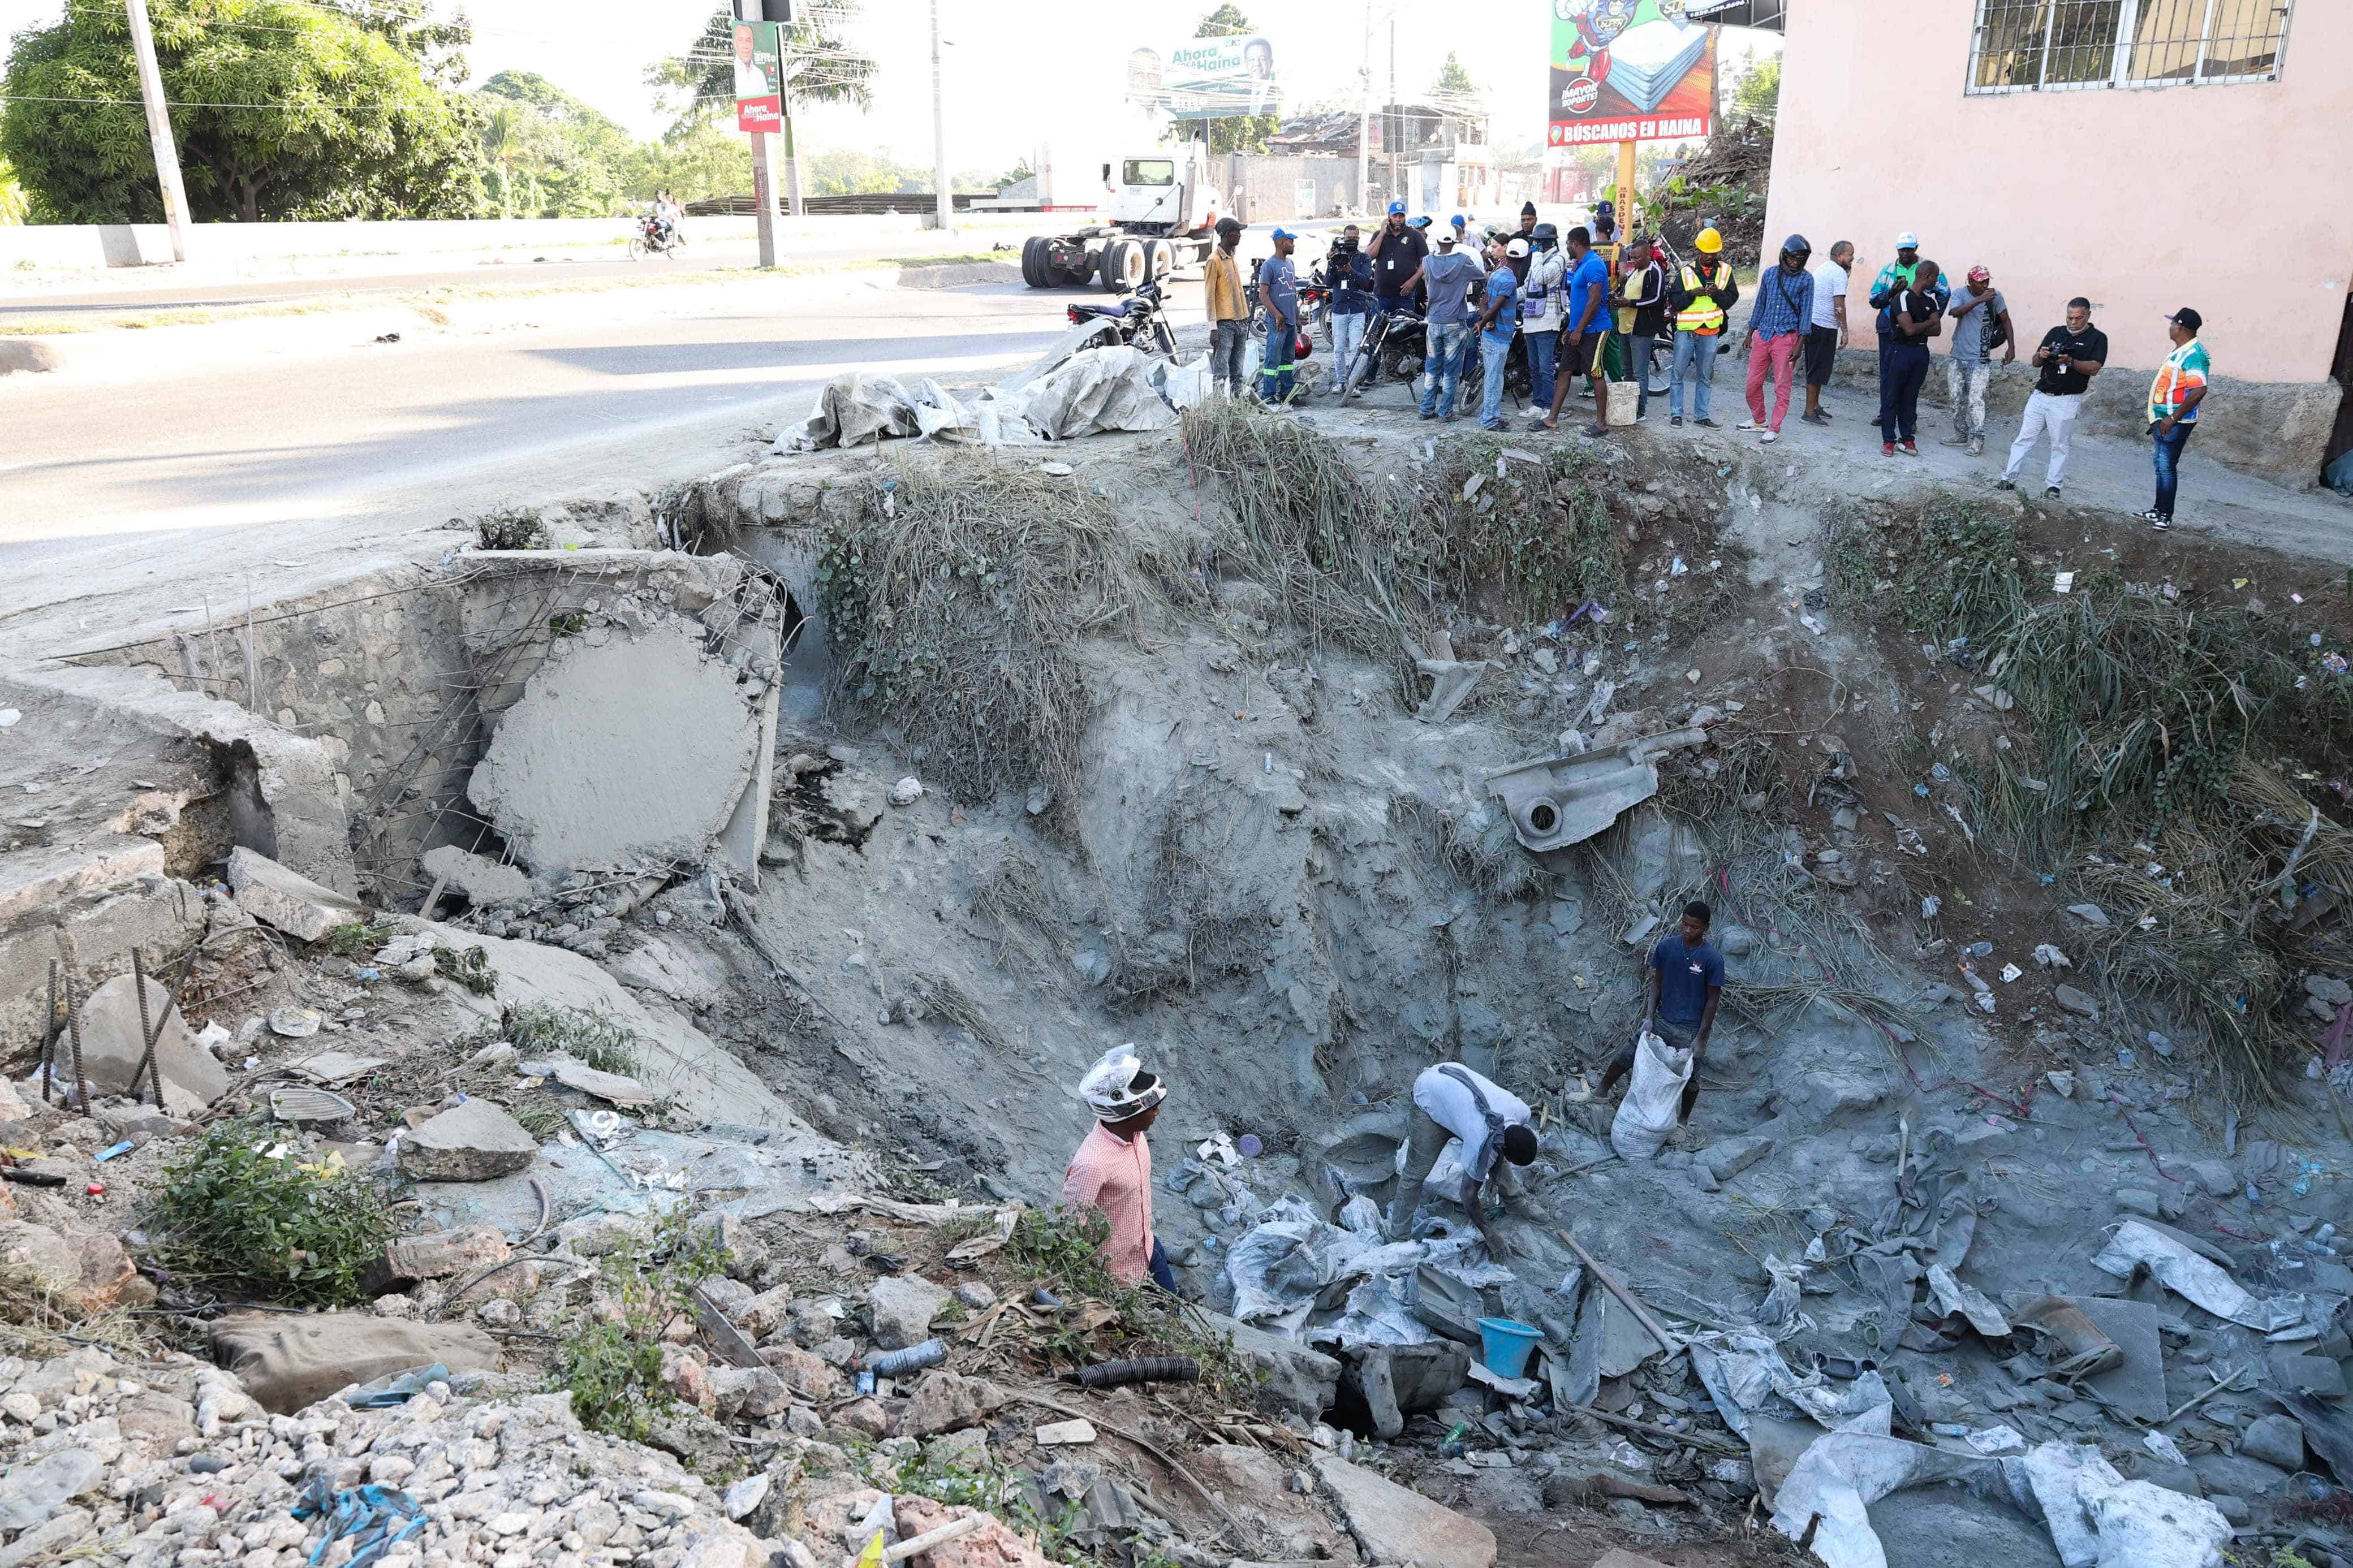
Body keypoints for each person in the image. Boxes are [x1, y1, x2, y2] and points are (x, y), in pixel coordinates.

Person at [1597, 901, 1724, 1131]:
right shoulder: (1667, 947)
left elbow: (1712, 1001)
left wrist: (1702, 1038)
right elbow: (1656, 983)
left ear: (1706, 927)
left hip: (1690, 1029)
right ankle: (1601, 1092)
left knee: (1690, 1078)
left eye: (1694, 927)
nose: (1687, 930)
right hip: (1663, 1020)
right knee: (1629, 1052)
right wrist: (1650, 1017)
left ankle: (1683, 1121)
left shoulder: (1712, 959)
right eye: (1684, 924)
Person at [1061, 1047, 1176, 1292]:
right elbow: (1071, 1230)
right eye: (1151, 1107)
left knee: (1174, 1307)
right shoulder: (1092, 1164)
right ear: (1125, 1112)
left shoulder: (1137, 1137)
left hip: (1146, 1248)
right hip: (1116, 1273)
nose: (1157, 1112)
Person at [1386, 1061, 1540, 1245]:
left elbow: (1499, 1148)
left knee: (1497, 1153)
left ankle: (1515, 1201)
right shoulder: (1482, 1142)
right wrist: (1489, 1233)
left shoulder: (1521, 1112)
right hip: (1430, 1097)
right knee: (1414, 1174)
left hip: (1456, 1093)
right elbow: (1467, 1195)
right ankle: (1397, 1238)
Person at [1999, 297, 2107, 499]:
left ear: (2088, 316)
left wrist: (2071, 360)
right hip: (2040, 395)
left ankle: (2053, 486)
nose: (2073, 322)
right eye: (2070, 318)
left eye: (2078, 318)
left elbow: (2095, 368)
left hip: (2067, 399)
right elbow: (2034, 362)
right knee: (2024, 438)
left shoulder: (2098, 338)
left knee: (2060, 445)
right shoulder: (2056, 332)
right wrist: (2042, 355)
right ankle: (2008, 478)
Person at [1535, 224, 1611, 435]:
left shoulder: (1594, 265)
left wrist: (1579, 329)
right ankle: (1552, 418)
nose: (1567, 247)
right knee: (1564, 372)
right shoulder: (1581, 264)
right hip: (1578, 329)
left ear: (1575, 243)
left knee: (1596, 373)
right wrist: (1571, 329)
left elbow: (1594, 302)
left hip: (1595, 329)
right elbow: (1579, 302)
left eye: (1568, 243)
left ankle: (1601, 423)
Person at [1739, 234, 1814, 443]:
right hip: (1763, 334)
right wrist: (1750, 332)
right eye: (1791, 259)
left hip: (1787, 338)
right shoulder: (1770, 274)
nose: (1794, 263)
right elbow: (1760, 304)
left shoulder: (1807, 280)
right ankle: (1759, 419)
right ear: (1784, 255)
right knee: (1752, 384)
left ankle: (1775, 427)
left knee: (1782, 386)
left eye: (1799, 260)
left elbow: (1807, 313)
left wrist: (1800, 344)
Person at [2141, 308, 2209, 531]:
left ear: (2180, 328)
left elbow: (2199, 390)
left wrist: (2173, 417)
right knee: (2161, 465)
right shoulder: (2181, 351)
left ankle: (2165, 516)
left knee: (2167, 467)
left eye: (2172, 324)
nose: (2169, 327)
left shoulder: (2194, 355)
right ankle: (2157, 510)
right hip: (2164, 419)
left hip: (2176, 421)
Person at [1667, 227, 1738, 428]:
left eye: (1714, 253)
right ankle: (1676, 414)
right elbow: (1675, 302)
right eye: (1708, 253)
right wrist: (1692, 294)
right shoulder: (1686, 272)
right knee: (1678, 374)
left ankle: (1701, 415)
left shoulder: (1725, 271)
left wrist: (1716, 294)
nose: (1711, 257)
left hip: (1711, 333)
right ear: (1699, 251)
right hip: (1687, 332)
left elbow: (1731, 299)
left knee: (1705, 377)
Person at [1941, 265, 2015, 454]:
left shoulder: (1995, 297)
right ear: (1970, 281)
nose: (1985, 284)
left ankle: (1978, 439)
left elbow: (2006, 320)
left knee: (1976, 401)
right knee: (1956, 399)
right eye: (1981, 281)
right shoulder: (1959, 294)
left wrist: (2011, 347)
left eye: (1987, 281)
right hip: (1958, 355)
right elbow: (1955, 312)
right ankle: (1960, 434)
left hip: (1980, 358)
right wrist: (1979, 300)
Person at [1878, 259, 1943, 456]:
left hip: (1921, 353)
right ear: (1927, 276)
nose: (1936, 282)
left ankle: (1907, 439)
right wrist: (1926, 323)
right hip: (1901, 351)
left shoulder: (1929, 301)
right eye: (1935, 277)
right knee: (1893, 396)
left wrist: (1919, 326)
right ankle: (1888, 440)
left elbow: (1938, 330)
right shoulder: (1902, 297)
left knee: (1910, 397)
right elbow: (1908, 330)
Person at [1419, 226, 1483, 422]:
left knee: (1432, 368)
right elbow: (1482, 277)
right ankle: (1445, 412)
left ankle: (1426, 409)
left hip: (1434, 321)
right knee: (1451, 371)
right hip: (1455, 322)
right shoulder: (1463, 262)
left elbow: (1425, 280)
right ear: (1455, 241)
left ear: (1437, 243)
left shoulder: (1428, 261)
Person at [1802, 240, 1853, 425]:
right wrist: (1845, 331)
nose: (1852, 258)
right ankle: (1809, 412)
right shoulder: (1839, 273)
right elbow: (1839, 306)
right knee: (1818, 369)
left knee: (1817, 368)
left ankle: (1815, 406)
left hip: (1814, 324)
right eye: (1850, 254)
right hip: (1824, 326)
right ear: (1839, 256)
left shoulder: (1824, 268)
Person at [1518, 223, 1566, 417]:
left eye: (1536, 242)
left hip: (1547, 321)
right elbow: (1527, 287)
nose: (1534, 246)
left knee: (1546, 367)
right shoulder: (1538, 260)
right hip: (1531, 320)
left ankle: (1549, 407)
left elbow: (1540, 277)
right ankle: (1538, 404)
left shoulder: (1558, 260)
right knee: (1534, 366)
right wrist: (1505, 296)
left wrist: (1536, 255)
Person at [1476, 237, 1522, 431]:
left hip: (1492, 333)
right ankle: (1490, 421)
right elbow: (1496, 306)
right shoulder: (1510, 279)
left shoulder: (1497, 274)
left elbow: (1484, 301)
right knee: (1495, 379)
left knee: (1493, 377)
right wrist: (1484, 321)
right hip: (1499, 336)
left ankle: (1488, 415)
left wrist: (1486, 320)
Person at [1621, 237, 1669, 421]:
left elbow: (1656, 299)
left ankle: (1640, 411)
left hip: (1641, 329)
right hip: (1626, 328)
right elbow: (1627, 292)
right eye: (1632, 257)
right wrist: (1619, 298)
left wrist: (1630, 303)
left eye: (1637, 257)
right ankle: (1629, 406)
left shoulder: (1654, 272)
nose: (1634, 261)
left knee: (1640, 372)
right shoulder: (1635, 272)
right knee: (1627, 370)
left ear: (1648, 255)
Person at [1324, 224, 1374, 396]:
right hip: (1339, 309)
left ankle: (1354, 383)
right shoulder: (1336, 257)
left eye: (1354, 238)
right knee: (1338, 348)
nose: (1351, 241)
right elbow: (1328, 282)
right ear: (1343, 239)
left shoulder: (1364, 258)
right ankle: (1340, 382)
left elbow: (1365, 281)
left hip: (1357, 309)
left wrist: (1349, 269)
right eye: (1348, 238)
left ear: (1359, 238)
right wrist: (1332, 262)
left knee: (1356, 348)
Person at [1204, 218, 1250, 398]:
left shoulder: (1231, 259)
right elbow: (1209, 297)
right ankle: (1220, 408)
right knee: (1221, 371)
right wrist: (1213, 328)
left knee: (1237, 372)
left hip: (1240, 322)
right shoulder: (1214, 261)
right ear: (1227, 234)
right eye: (1236, 232)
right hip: (1224, 326)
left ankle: (1237, 409)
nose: (1239, 235)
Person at [1257, 228, 1300, 405]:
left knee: (1287, 360)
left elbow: (1293, 292)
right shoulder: (1269, 266)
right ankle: (1269, 395)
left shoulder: (1290, 264)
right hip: (1278, 323)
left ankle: (1287, 392)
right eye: (1291, 241)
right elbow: (1263, 295)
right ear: (1282, 243)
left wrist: (1296, 317)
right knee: (1272, 359)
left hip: (1290, 322)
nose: (1293, 244)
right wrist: (1277, 315)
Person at [1364, 201, 1428, 320]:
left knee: (1403, 333)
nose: (1398, 219)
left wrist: (1413, 281)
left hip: (1405, 296)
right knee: (1377, 331)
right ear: (1389, 217)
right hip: (1381, 295)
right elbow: (1368, 257)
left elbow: (1426, 261)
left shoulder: (1415, 235)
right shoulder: (1379, 235)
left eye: (1401, 216)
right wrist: (1382, 233)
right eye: (1395, 216)